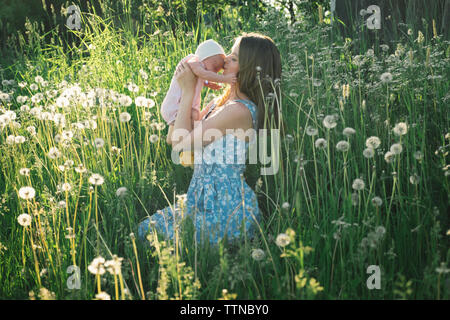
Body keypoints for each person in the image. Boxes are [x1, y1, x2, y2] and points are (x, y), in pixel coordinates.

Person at [138, 32, 282, 246]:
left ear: (249, 71)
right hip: (200, 200)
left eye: (232, 59)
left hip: (225, 208)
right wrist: (187, 90)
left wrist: (188, 93)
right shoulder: (218, 104)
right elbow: (173, 137)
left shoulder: (238, 112)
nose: (223, 63)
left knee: (164, 240)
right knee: (145, 230)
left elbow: (180, 143)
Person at [160, 39, 237, 126]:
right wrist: (224, 79)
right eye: (215, 67)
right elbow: (203, 74)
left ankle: (192, 135)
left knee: (195, 116)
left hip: (183, 108)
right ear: (204, 57)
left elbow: (200, 77)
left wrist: (207, 83)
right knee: (188, 125)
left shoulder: (200, 68)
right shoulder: (194, 61)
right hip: (173, 107)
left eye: (217, 71)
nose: (214, 73)